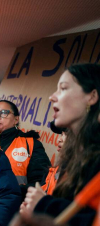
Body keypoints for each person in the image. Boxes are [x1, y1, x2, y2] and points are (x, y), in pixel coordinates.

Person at [20, 63, 100, 226]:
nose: (52, 97)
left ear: (92, 97)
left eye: (63, 88)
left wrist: (44, 205)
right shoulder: (73, 157)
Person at [0, 100, 51, 195]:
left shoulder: (30, 144)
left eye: (4, 113)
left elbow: (41, 181)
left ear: (16, 119)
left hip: (17, 203)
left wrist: (14, 190)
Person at [41, 121, 66, 195]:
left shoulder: (84, 174)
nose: (59, 139)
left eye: (67, 135)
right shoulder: (53, 170)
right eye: (61, 134)